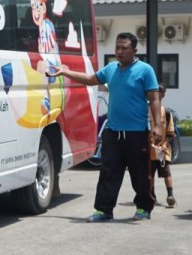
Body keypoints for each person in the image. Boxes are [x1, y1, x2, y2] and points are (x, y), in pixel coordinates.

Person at [56, 32, 162, 222]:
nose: (119, 52)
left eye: (124, 48)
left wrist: (158, 126)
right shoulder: (111, 68)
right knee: (108, 172)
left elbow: (154, 98)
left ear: (134, 50)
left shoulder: (145, 70)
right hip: (113, 132)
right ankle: (104, 210)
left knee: (140, 173)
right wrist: (65, 72)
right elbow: (90, 79)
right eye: (117, 48)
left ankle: (143, 207)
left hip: (136, 132)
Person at [150, 85, 177, 208]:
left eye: (160, 92)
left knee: (166, 173)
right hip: (149, 150)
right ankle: (151, 196)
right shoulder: (145, 110)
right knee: (149, 175)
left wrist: (165, 145)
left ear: (163, 95)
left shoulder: (166, 112)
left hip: (162, 150)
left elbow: (171, 133)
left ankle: (170, 195)